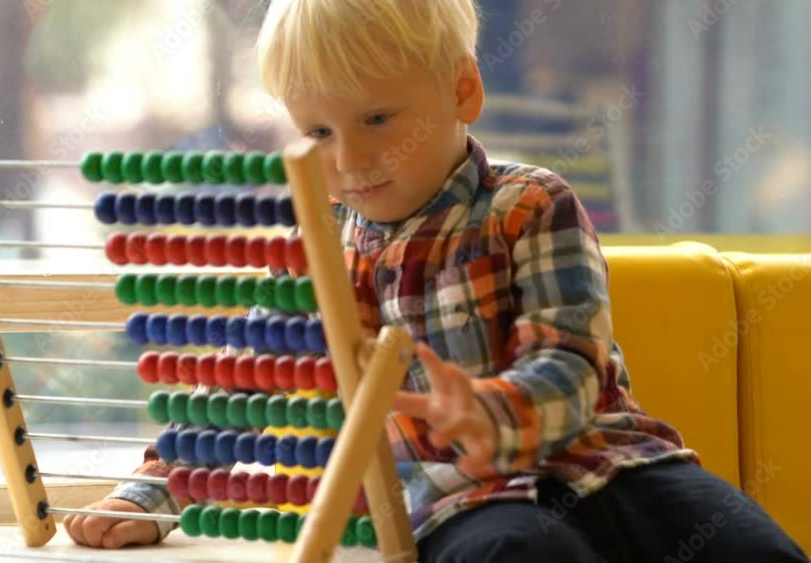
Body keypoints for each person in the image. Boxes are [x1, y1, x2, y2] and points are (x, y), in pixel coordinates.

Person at [64, 1, 809, 561]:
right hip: (456, 500)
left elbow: (571, 358)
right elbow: (238, 391)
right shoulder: (323, 252)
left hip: (611, 462)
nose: (349, 159)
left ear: (462, 92)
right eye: (319, 133)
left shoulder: (529, 203)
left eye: (379, 118)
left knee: (753, 551)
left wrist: (492, 410)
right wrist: (154, 492)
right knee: (521, 556)